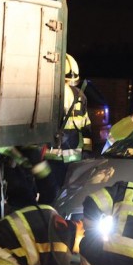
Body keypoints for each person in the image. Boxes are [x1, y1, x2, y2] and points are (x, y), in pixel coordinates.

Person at [46, 53, 93, 187]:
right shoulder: (80, 95)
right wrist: (87, 151)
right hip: (74, 156)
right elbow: (86, 126)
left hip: (51, 156)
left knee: (51, 193)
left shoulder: (50, 93)